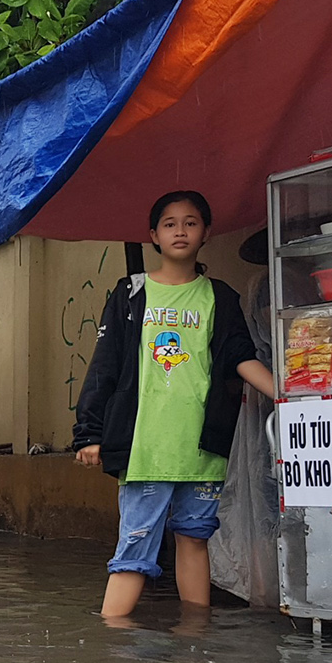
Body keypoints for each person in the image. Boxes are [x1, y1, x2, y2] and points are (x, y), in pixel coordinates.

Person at [72, 190, 274, 617]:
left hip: (202, 449)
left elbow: (239, 356)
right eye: (169, 223)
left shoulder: (219, 297)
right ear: (154, 236)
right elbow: (105, 365)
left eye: (190, 222)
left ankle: (193, 641)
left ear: (206, 233)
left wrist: (288, 395)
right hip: (146, 449)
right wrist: (88, 433)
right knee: (134, 548)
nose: (180, 230)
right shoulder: (131, 292)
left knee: (195, 539)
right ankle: (110, 640)